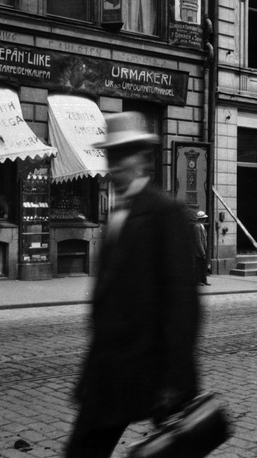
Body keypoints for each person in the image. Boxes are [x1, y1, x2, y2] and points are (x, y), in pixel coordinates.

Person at [66, 113, 201, 458]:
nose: (115, 167)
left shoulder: (165, 213)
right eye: (110, 157)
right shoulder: (117, 213)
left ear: (142, 158)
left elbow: (183, 304)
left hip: (144, 370)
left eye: (123, 156)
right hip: (110, 370)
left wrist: (176, 380)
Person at [194, 210, 210, 286]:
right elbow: (198, 240)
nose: (204, 219)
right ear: (200, 219)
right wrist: (202, 251)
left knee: (204, 265)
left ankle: (204, 280)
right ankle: (198, 281)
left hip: (204, 249)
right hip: (199, 251)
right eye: (203, 218)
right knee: (199, 266)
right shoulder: (197, 226)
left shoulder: (201, 226)